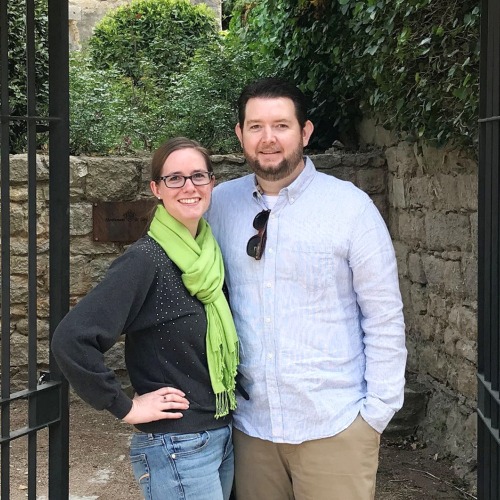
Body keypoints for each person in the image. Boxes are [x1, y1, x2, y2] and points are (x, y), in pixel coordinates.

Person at [205, 78, 407, 500]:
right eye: (255, 126)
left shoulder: (350, 208)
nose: (268, 138)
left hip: (334, 425)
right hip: (250, 430)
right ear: (240, 135)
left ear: (305, 132)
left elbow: (384, 315)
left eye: (281, 125)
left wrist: (375, 414)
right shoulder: (219, 205)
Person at [51, 137, 239, 500]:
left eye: (199, 176)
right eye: (175, 178)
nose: (189, 187)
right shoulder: (145, 260)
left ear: (212, 182)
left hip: (222, 433)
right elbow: (71, 339)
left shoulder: (210, 256)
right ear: (156, 189)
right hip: (178, 446)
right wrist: (125, 406)